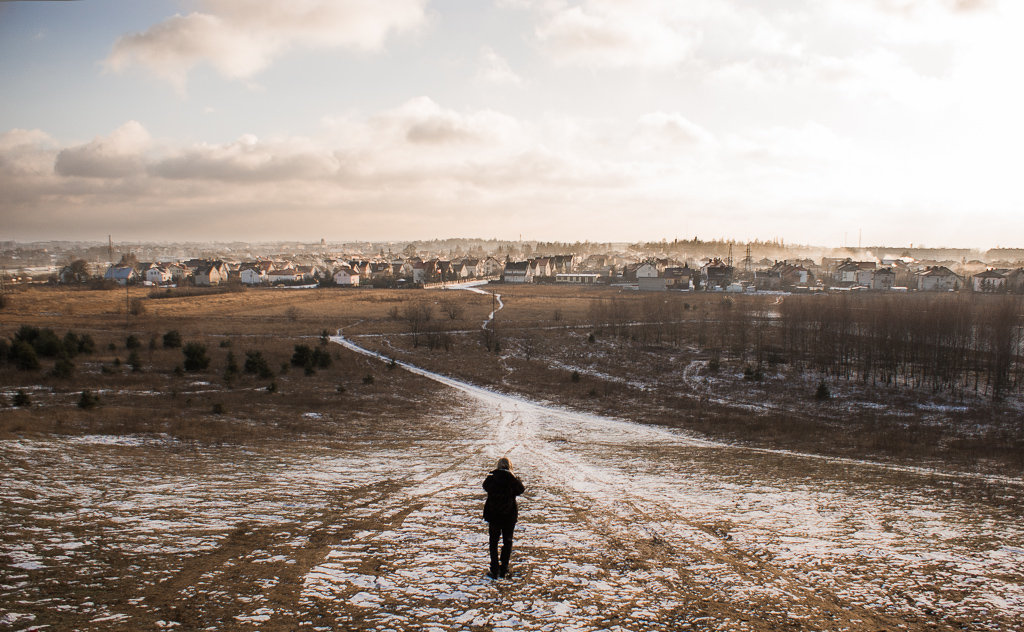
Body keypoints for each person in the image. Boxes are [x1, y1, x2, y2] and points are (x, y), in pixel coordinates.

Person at [482, 456, 525, 580]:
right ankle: (504, 569)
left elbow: (485, 486)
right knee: (507, 542)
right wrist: (515, 477)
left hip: (494, 515)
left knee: (493, 542)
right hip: (509, 515)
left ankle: (494, 569)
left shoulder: (492, 478)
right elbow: (521, 489)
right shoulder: (512, 479)